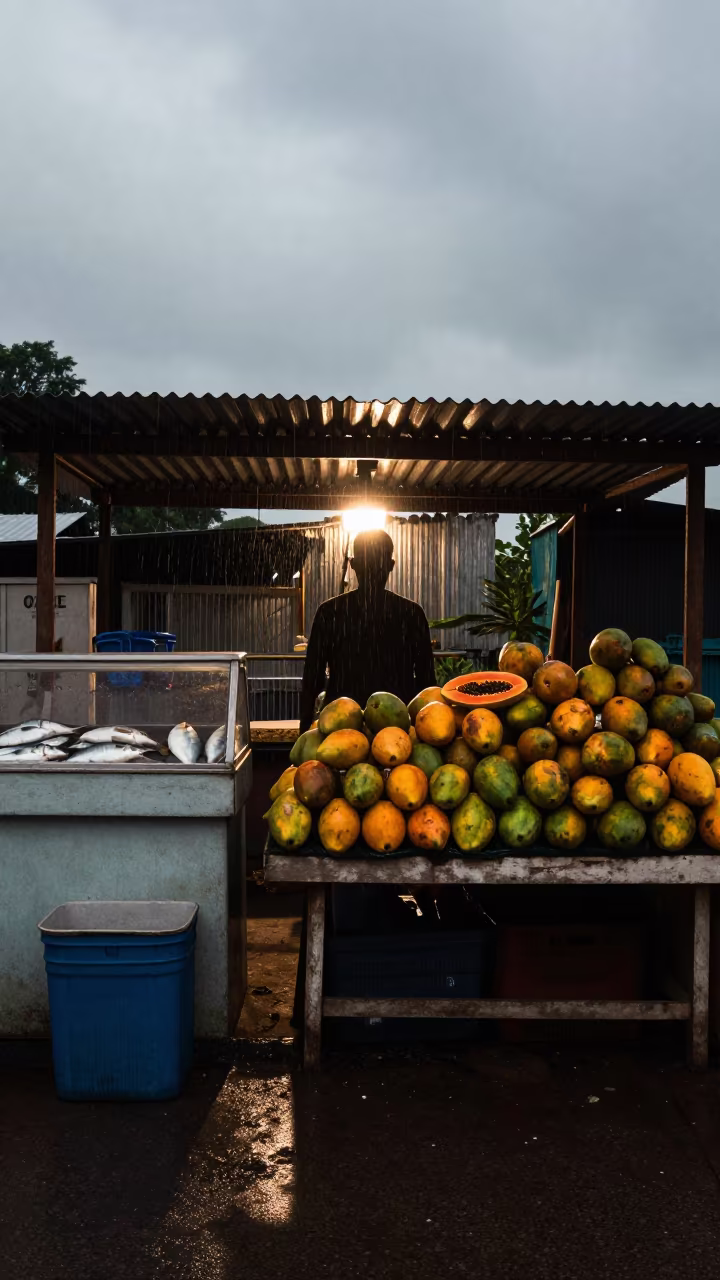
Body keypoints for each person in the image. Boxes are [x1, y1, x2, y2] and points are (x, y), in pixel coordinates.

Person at [299, 528, 436, 731]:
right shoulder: (411, 613)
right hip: (397, 728)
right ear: (391, 565)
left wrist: (303, 732)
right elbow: (428, 684)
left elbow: (313, 680)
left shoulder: (331, 612)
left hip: (341, 725)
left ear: (353, 564)